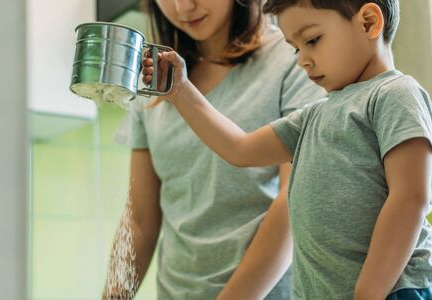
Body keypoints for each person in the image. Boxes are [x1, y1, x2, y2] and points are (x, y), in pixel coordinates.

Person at [142, 0, 432, 299]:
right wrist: (180, 90)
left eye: (312, 41)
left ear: (369, 22)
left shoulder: (395, 95)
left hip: (394, 291)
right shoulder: (314, 116)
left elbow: (411, 197)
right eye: (296, 48)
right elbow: (240, 149)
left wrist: (368, 292)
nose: (303, 60)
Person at [103, 0, 325, 299]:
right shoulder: (153, 79)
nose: (183, 7)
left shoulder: (296, 61)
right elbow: (139, 221)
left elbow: (293, 202)